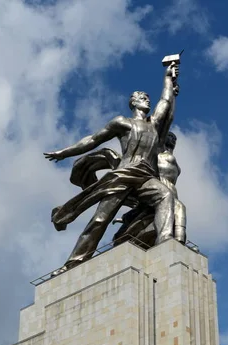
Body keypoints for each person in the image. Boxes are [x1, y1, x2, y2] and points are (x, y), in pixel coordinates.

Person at [44, 62, 179, 270]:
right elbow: (92, 140)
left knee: (165, 195)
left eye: (147, 98)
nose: (146, 100)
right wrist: (65, 152)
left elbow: (166, 100)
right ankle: (73, 262)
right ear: (133, 102)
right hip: (124, 174)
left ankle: (165, 241)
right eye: (141, 98)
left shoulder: (154, 124)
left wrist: (168, 78)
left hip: (145, 176)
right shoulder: (122, 123)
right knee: (100, 219)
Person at [113, 130, 186, 247]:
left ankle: (177, 244)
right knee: (179, 208)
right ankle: (178, 242)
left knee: (173, 213)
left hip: (170, 191)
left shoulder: (174, 162)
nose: (173, 140)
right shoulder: (155, 156)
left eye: (174, 139)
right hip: (158, 189)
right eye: (170, 137)